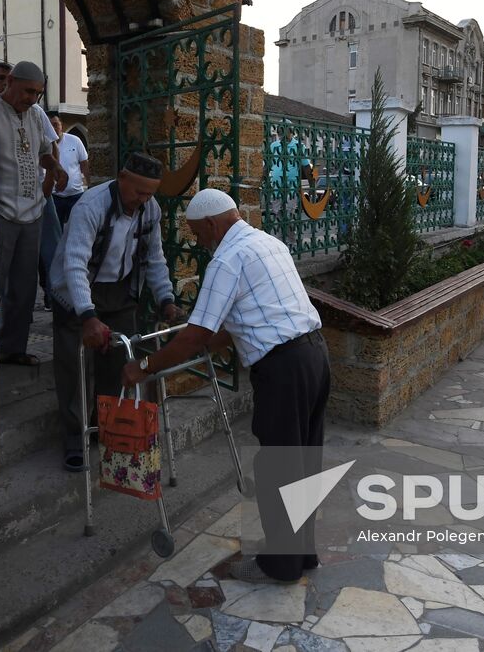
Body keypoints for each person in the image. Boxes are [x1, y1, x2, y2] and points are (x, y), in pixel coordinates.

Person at [122, 188, 329, 583]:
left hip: (284, 368)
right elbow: (238, 323)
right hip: (315, 355)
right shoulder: (267, 243)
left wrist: (145, 366)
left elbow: (196, 333)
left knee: (278, 465)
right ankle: (302, 555)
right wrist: (202, 350)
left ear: (214, 224)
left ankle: (280, 566)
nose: (198, 242)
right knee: (303, 461)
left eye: (198, 233)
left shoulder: (227, 259)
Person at [48, 152, 181, 472]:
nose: (143, 199)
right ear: (122, 178)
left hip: (120, 291)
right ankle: (73, 437)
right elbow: (75, 263)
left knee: (117, 363)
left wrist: (166, 298)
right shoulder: (90, 207)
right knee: (73, 367)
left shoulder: (150, 210)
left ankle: (105, 425)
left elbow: (154, 259)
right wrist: (87, 316)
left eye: (150, 193)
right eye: (138, 191)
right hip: (75, 291)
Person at [0, 61, 66, 366]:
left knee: (24, 288)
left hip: (32, 210)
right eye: (27, 91)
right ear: (9, 82)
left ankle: (12, 348)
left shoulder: (36, 115)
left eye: (37, 93)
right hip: (0, 209)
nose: (32, 98)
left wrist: (56, 169)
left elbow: (44, 153)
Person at [50, 112, 90, 226]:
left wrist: (90, 186)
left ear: (61, 125)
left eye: (55, 124)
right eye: (50, 125)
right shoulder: (45, 145)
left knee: (77, 227)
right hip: (55, 197)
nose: (53, 128)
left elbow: (84, 165)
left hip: (76, 196)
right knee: (56, 230)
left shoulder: (75, 141)